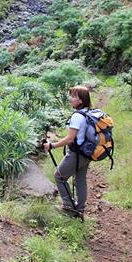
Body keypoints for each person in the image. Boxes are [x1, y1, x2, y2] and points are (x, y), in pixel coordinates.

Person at [43, 85, 92, 217]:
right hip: (87, 152)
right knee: (80, 179)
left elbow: (70, 139)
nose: (70, 98)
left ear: (81, 100)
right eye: (71, 95)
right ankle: (80, 209)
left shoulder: (77, 116)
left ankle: (69, 207)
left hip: (76, 153)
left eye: (74, 96)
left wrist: (52, 145)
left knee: (59, 176)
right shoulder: (88, 112)